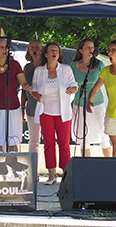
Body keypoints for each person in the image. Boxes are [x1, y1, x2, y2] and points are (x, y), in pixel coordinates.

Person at [31, 42, 78, 185]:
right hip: (45, 111)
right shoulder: (39, 71)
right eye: (51, 50)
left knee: (64, 144)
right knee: (48, 144)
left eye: (56, 51)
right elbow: (33, 89)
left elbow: (74, 85)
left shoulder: (66, 69)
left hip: (63, 112)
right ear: (46, 54)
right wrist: (36, 95)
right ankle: (51, 175)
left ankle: (66, 175)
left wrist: (72, 89)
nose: (54, 53)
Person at [70, 39, 112, 157]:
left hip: (97, 106)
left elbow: (108, 85)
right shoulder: (73, 65)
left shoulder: (100, 65)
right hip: (79, 105)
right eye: (88, 47)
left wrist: (111, 103)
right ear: (80, 50)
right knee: (84, 141)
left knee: (103, 137)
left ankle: (109, 167)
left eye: (92, 47)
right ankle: (87, 168)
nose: (91, 50)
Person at [21, 39, 43, 154]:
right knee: (33, 141)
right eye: (32, 47)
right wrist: (22, 108)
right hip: (31, 109)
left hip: (47, 109)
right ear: (29, 51)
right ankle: (33, 170)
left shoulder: (47, 66)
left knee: (50, 141)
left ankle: (52, 171)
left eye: (37, 47)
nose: (35, 49)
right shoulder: (27, 67)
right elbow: (23, 91)